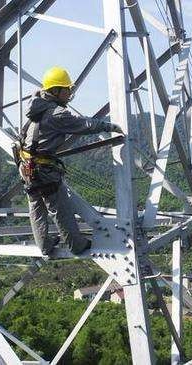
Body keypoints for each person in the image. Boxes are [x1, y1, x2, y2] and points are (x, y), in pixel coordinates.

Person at [16, 66, 122, 256]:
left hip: (26, 166)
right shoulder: (57, 114)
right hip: (43, 170)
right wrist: (109, 126)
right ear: (56, 91)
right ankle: (77, 244)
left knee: (36, 206)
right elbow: (84, 125)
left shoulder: (34, 107)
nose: (70, 93)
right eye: (67, 90)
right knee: (60, 208)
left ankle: (44, 245)